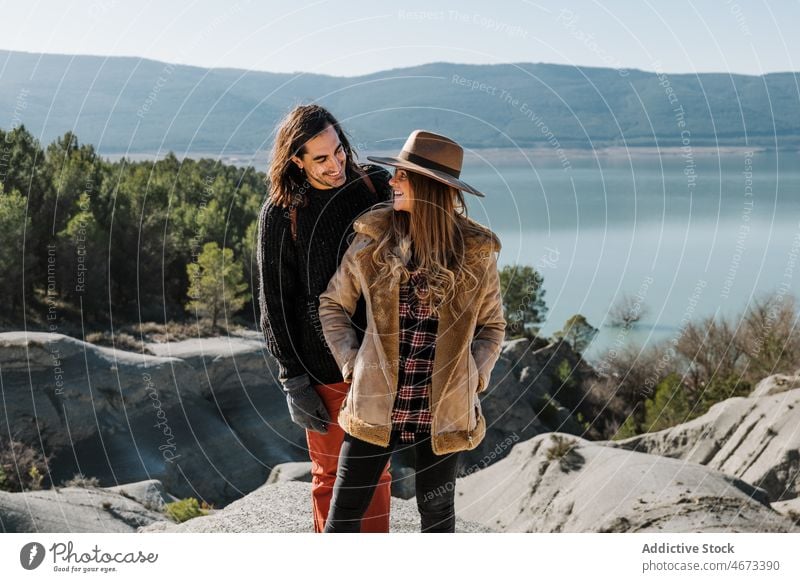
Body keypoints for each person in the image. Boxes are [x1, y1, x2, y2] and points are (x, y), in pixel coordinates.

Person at [318, 130, 506, 532]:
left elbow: (493, 325)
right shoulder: (374, 239)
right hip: (374, 402)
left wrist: (474, 376)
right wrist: (353, 364)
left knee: (436, 518)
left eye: (402, 176)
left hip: (443, 410)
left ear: (426, 187)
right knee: (343, 515)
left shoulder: (475, 252)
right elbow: (332, 304)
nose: (392, 181)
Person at [256, 104, 393, 533]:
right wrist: (292, 380)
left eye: (339, 151)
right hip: (320, 369)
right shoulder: (282, 213)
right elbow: (274, 303)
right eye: (320, 158)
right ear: (296, 159)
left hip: (379, 361)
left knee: (377, 475)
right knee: (332, 476)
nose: (336, 165)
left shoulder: (373, 185)